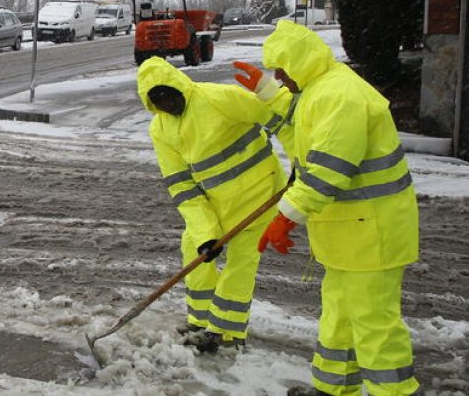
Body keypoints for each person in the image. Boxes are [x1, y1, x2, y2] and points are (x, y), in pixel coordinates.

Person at [236, 20, 420, 395]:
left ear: (302, 62)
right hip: (351, 235)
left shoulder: (341, 96)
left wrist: (285, 218)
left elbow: (328, 170)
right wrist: (268, 91)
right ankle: (333, 389)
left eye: (283, 71)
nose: (282, 78)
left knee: (374, 325)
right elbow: (300, 123)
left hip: (372, 234)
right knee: (339, 317)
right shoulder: (321, 88)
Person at [137, 56, 287, 353]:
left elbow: (280, 118)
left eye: (170, 95)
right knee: (193, 249)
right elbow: (181, 185)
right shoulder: (161, 129)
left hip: (259, 196)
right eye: (159, 101)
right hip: (215, 204)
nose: (168, 104)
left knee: (241, 264)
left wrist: (301, 161)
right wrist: (206, 234)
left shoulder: (219, 98)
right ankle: (201, 320)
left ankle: (225, 333)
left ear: (180, 86)